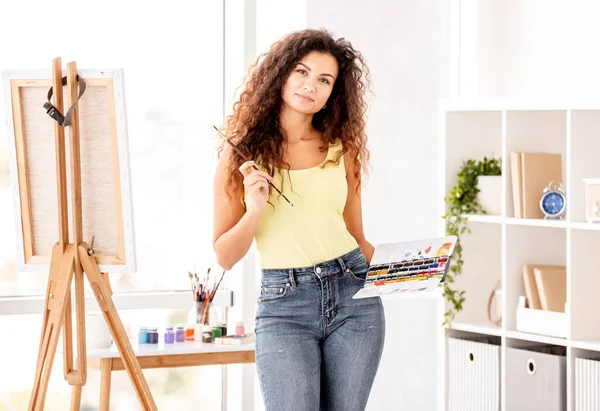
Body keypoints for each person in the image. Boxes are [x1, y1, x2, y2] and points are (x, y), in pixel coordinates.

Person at [212, 28, 385, 411]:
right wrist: (255, 208)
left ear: (333, 93)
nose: (311, 85)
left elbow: (357, 237)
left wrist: (411, 272)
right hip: (284, 305)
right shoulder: (240, 156)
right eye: (302, 72)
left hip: (354, 295)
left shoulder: (343, 149)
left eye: (324, 80)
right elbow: (224, 256)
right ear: (281, 75)